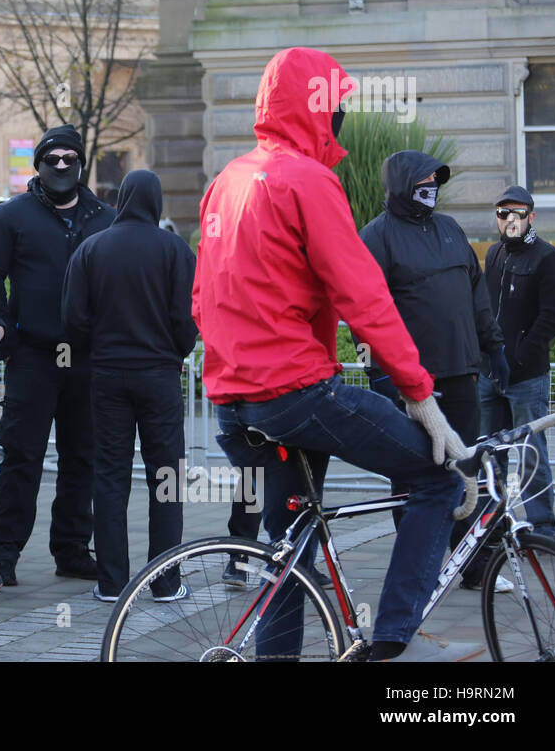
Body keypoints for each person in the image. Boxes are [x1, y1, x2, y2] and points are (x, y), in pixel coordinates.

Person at [194, 46, 466, 661]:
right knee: (437, 480)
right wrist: (420, 392)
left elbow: (201, 299)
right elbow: (364, 294)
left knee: (288, 547)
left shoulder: (227, 180)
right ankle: (393, 638)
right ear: (316, 108)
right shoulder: (309, 180)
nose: (341, 117)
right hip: (294, 392)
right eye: (336, 105)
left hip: (233, 400)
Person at [359, 151, 509, 590]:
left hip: (461, 371)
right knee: (412, 474)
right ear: (403, 183)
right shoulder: (376, 237)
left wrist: (493, 344)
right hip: (410, 384)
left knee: (465, 470)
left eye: (436, 179)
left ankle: (474, 566)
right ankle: (416, 572)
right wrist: (378, 375)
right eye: (424, 179)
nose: (432, 186)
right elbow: (364, 312)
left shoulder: (450, 228)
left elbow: (476, 290)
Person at [0, 124, 113, 585]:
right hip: (32, 357)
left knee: (83, 458)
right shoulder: (9, 217)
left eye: (69, 159)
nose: (61, 166)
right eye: (52, 159)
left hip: (87, 359)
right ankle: (4, 557)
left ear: (80, 163)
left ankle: (72, 550)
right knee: (22, 457)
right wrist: (5, 337)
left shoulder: (104, 217)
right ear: (37, 164)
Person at [62, 169, 197, 602]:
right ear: (155, 201)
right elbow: (185, 320)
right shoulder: (175, 250)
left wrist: (96, 347)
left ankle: (111, 582)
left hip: (106, 376)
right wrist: (176, 351)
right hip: (159, 376)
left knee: (110, 476)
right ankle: (166, 580)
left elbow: (73, 319)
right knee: (166, 477)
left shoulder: (92, 248)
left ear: (121, 199)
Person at [480, 184, 555, 539]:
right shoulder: (495, 255)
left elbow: (554, 317)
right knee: (489, 453)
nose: (509, 220)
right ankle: (492, 527)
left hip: (527, 378)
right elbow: (484, 308)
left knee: (531, 453)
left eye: (517, 213)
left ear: (531, 216)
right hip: (489, 375)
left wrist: (519, 355)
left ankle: (541, 528)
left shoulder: (548, 257)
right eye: (503, 213)